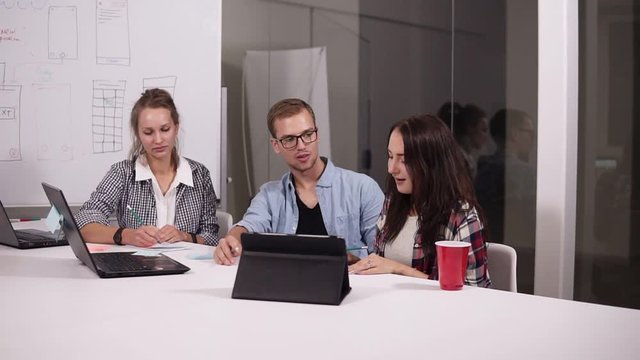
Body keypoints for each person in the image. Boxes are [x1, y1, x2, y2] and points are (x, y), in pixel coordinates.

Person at [214, 98, 384, 265]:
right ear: (276, 145)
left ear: (317, 134)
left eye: (307, 134)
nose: (301, 146)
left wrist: (354, 262)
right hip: (288, 287)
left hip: (350, 286)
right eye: (289, 139)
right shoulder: (270, 195)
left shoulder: (362, 188)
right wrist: (231, 239)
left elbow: (381, 255)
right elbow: (247, 226)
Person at [349, 114, 491, 287]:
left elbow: (471, 292)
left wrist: (399, 269)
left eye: (404, 159)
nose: (391, 168)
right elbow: (382, 266)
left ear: (430, 163)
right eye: (390, 156)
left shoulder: (461, 216)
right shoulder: (393, 202)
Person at [75, 88, 219, 247]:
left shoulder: (199, 174)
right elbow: (83, 222)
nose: (158, 140)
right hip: (137, 267)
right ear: (138, 134)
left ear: (176, 128)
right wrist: (126, 235)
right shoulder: (123, 173)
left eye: (165, 130)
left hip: (189, 268)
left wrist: (184, 236)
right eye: (148, 132)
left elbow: (211, 238)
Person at [437, 102, 490, 179]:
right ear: (470, 128)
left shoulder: (467, 159)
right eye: (483, 130)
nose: (486, 136)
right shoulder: (456, 160)